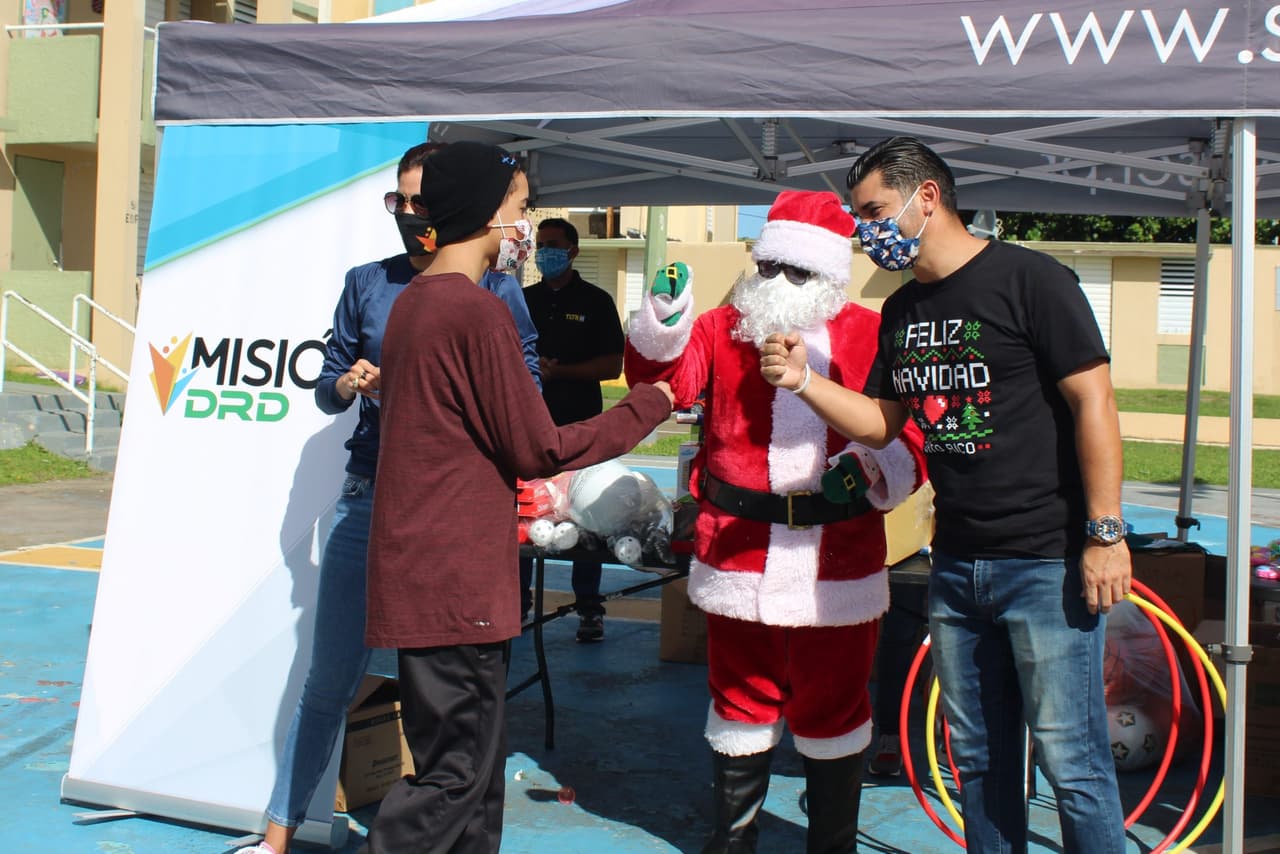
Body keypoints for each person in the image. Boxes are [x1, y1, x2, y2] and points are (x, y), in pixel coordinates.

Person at [760, 136, 1131, 853]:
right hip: (955, 566)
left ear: (925, 197)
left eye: (874, 211)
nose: (865, 229)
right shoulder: (903, 312)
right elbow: (883, 424)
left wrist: (1105, 534)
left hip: (1045, 564)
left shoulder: (1032, 279)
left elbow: (1096, 402)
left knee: (1073, 764)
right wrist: (804, 381)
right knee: (980, 762)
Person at [362, 140, 673, 853]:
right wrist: (649, 405)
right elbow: (538, 447)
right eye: (520, 209)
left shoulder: (416, 305)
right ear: (483, 212)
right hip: (456, 580)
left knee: (473, 779)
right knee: (454, 777)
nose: (525, 227)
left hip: (428, 568)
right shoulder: (474, 314)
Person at [239, 141, 542, 854]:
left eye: (421, 201)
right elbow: (326, 379)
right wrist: (347, 384)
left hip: (448, 509)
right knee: (332, 678)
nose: (411, 214)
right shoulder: (368, 284)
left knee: (448, 706)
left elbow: (524, 382)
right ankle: (279, 835)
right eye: (398, 202)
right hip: (371, 493)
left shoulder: (493, 288)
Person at [625, 190, 927, 853]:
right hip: (737, 555)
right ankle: (731, 842)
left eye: (797, 271)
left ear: (828, 275)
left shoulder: (869, 333)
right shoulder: (719, 327)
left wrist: (870, 470)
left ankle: (832, 845)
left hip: (837, 561)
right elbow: (665, 382)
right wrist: (662, 322)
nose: (777, 284)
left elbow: (911, 437)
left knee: (837, 708)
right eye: (768, 268)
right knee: (738, 702)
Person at [518, 217, 626, 642]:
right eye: (541, 245)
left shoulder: (597, 301)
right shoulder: (521, 299)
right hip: (528, 428)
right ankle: (517, 604)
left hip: (582, 427)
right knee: (525, 514)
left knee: (587, 514)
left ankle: (588, 608)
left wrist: (563, 372)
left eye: (554, 245)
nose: (546, 252)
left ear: (574, 250)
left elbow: (612, 365)